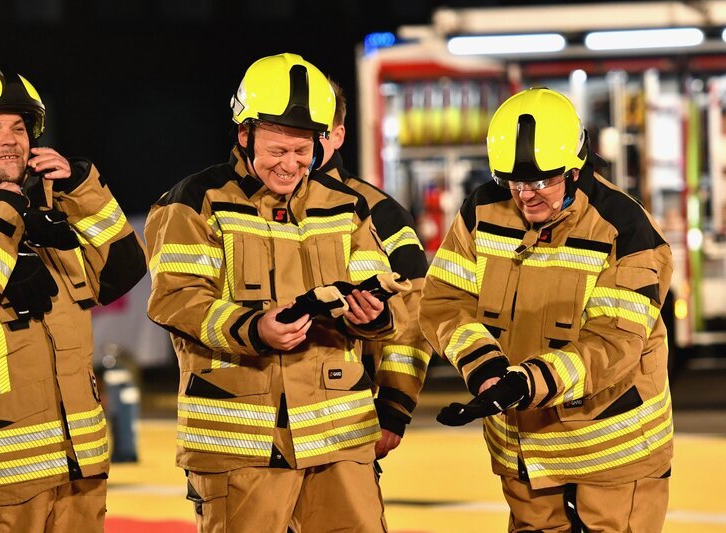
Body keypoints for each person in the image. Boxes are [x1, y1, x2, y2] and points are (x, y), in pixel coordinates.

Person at [145, 53, 407, 533]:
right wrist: (254, 329)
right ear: (244, 135)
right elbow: (176, 300)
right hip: (240, 443)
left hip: (339, 437)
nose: (290, 164)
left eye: (302, 150)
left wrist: (371, 316)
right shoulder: (196, 202)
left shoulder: (347, 205)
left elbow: (383, 302)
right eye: (277, 150)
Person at [419, 87, 673, 532]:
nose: (525, 196)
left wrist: (527, 382)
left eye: (540, 183)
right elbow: (445, 301)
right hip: (525, 455)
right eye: (513, 183)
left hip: (612, 456)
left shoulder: (625, 229)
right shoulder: (481, 211)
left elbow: (614, 342)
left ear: (575, 171)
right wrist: (484, 367)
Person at [0, 62, 148, 532]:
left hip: (78, 473)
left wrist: (80, 190)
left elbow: (122, 273)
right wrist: (1, 221)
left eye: (19, 127)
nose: (10, 140)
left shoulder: (49, 207)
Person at [319, 80, 430, 459]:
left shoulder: (382, 212)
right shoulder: (252, 205)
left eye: (316, 132)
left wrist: (394, 407)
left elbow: (413, 315)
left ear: (338, 136)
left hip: (347, 416)